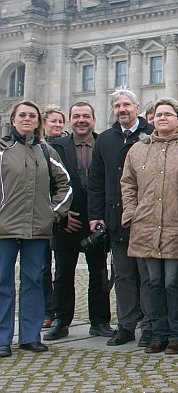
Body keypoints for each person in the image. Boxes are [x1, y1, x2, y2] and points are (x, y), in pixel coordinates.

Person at [120, 99, 178, 355]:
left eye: (168, 114)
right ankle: (158, 332)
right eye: (158, 114)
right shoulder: (138, 149)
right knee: (153, 282)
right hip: (146, 225)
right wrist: (131, 213)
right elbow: (128, 184)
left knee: (174, 282)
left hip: (177, 225)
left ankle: (177, 334)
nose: (162, 118)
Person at [0, 101, 72, 358]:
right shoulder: (2, 150)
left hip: (38, 228)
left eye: (32, 115)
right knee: (2, 282)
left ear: (38, 122)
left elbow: (65, 185)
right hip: (4, 228)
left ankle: (30, 336)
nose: (27, 119)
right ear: (13, 120)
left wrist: (53, 213)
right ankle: (2, 338)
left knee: (33, 281)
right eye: (22, 115)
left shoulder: (45, 150)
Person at [88, 88, 155, 347]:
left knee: (148, 276)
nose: (122, 110)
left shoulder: (151, 135)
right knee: (124, 275)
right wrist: (96, 215)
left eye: (126, 105)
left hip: (146, 218)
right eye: (117, 106)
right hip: (116, 218)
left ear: (137, 107)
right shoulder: (105, 139)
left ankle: (149, 326)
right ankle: (126, 326)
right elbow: (96, 181)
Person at [45, 102, 114, 341]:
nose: (81, 120)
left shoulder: (104, 144)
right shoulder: (55, 147)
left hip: (97, 221)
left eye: (86, 116)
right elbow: (48, 184)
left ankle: (100, 321)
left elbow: (111, 181)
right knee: (63, 273)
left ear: (94, 119)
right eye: (76, 116)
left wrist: (103, 216)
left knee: (99, 273)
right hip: (67, 221)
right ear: (69, 120)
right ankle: (61, 320)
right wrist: (61, 214)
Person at [40, 104, 68, 327]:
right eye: (53, 121)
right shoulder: (38, 147)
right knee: (42, 268)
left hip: (59, 213)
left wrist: (60, 210)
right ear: (43, 123)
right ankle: (46, 311)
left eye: (60, 121)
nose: (57, 125)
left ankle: (57, 311)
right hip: (40, 215)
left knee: (61, 269)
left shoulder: (67, 146)